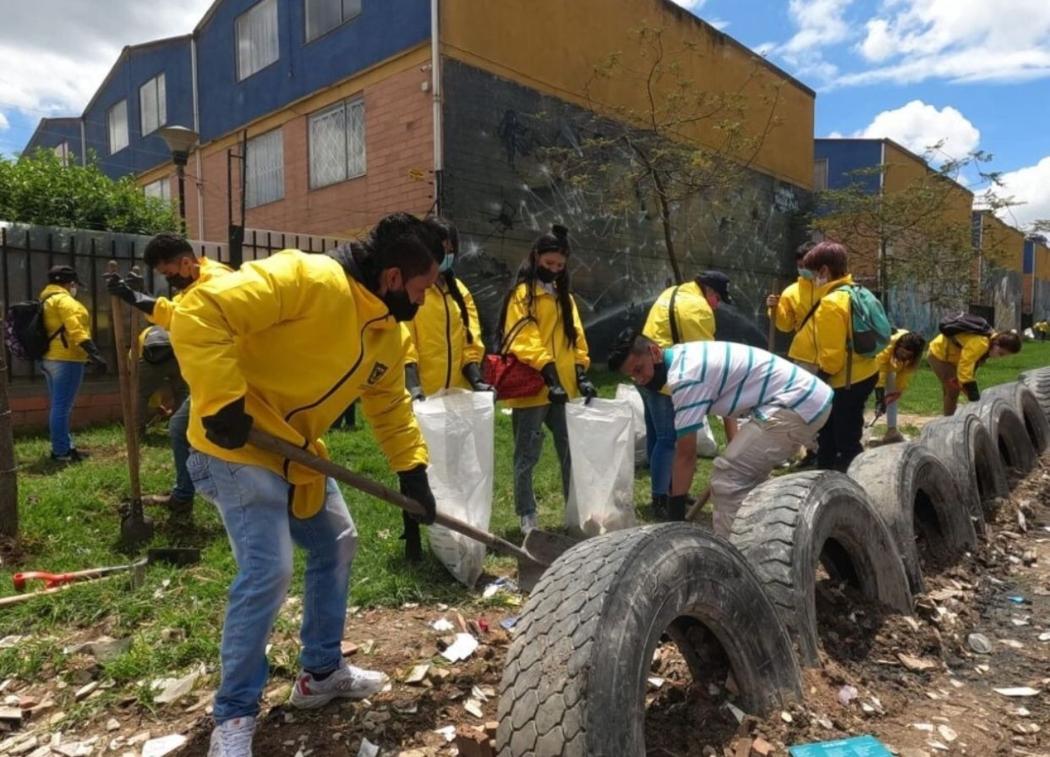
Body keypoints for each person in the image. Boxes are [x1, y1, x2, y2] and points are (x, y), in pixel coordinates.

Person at [168, 213, 441, 757]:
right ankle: (234, 716)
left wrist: (412, 470)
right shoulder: (308, 278)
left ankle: (319, 674)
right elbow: (200, 309)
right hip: (234, 443)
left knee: (336, 542)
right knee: (270, 569)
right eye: (420, 287)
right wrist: (222, 399)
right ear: (391, 277)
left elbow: (387, 403)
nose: (424, 299)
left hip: (297, 452)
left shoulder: (391, 331)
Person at [609, 330, 831, 535]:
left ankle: (734, 558)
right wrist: (736, 445)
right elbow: (729, 400)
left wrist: (675, 517)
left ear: (654, 352)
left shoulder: (685, 377)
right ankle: (767, 537)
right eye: (632, 376)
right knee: (745, 476)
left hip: (796, 403)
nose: (640, 379)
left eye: (639, 369)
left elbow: (685, 454)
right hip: (801, 399)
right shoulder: (682, 356)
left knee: (727, 478)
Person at [106, 235, 232, 519]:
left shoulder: (217, 284)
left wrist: (136, 298)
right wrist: (139, 298)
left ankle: (225, 498)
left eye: (168, 273)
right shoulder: (196, 283)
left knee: (208, 437)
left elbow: (182, 318)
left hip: (228, 380)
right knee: (182, 429)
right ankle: (185, 496)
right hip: (208, 379)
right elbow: (176, 312)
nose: (169, 280)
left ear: (186, 262)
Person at [400, 215, 490, 560]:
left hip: (453, 395)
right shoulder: (414, 289)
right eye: (443, 250)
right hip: (421, 394)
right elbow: (403, 337)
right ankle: (412, 538)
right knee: (414, 465)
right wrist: (413, 384)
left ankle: (448, 532)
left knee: (452, 465)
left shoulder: (457, 290)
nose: (448, 256)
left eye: (452, 250)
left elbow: (471, 337)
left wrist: (476, 375)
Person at [499, 224, 595, 533]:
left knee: (570, 450)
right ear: (536, 257)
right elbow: (523, 340)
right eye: (549, 263)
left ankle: (573, 508)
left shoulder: (564, 298)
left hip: (564, 388)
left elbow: (576, 336)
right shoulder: (523, 296)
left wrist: (580, 373)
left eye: (560, 266)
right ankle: (527, 514)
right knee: (526, 453)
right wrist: (548, 375)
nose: (553, 270)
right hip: (533, 387)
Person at [791, 242, 878, 471]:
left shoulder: (831, 303)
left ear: (824, 271)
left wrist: (818, 379)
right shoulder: (858, 291)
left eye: (812, 271)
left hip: (844, 380)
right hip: (865, 372)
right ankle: (827, 471)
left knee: (843, 441)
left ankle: (849, 481)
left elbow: (832, 356)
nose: (809, 277)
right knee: (835, 432)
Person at [640, 276, 715, 519]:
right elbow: (704, 352)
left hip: (646, 372)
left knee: (656, 435)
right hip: (665, 378)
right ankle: (662, 498)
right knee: (668, 439)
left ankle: (670, 491)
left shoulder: (673, 292)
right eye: (718, 298)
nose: (718, 305)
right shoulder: (696, 306)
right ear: (709, 291)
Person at [39, 265, 107, 462]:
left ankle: (65, 446)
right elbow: (76, 330)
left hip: (48, 358)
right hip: (66, 359)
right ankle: (61, 452)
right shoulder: (65, 301)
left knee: (58, 406)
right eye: (75, 284)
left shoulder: (45, 299)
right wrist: (95, 355)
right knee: (62, 407)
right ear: (70, 283)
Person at [927, 327, 1021, 416]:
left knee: (952, 389)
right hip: (939, 354)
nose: (999, 357)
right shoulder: (982, 343)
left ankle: (948, 415)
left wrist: (969, 390)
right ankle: (948, 422)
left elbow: (970, 369)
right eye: (1001, 354)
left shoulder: (989, 345)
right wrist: (970, 388)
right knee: (953, 390)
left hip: (952, 358)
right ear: (996, 342)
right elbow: (965, 365)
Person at [871, 329, 926, 445]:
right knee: (861, 394)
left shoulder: (911, 356)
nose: (903, 357)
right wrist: (880, 397)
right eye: (902, 353)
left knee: (892, 392)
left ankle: (892, 432)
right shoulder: (890, 342)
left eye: (907, 356)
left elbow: (904, 372)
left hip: (888, 366)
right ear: (899, 346)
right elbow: (880, 367)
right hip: (870, 361)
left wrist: (897, 391)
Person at [135, 325, 187, 436]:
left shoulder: (144, 335)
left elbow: (144, 388)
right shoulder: (172, 328)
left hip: (151, 362)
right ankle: (181, 429)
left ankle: (137, 432)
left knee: (141, 395)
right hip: (176, 359)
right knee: (181, 392)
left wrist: (156, 404)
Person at [767, 242, 817, 336]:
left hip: (833, 347)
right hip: (804, 347)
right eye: (800, 266)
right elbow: (785, 326)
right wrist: (776, 308)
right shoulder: (791, 292)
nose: (803, 269)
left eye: (807, 266)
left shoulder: (833, 289)